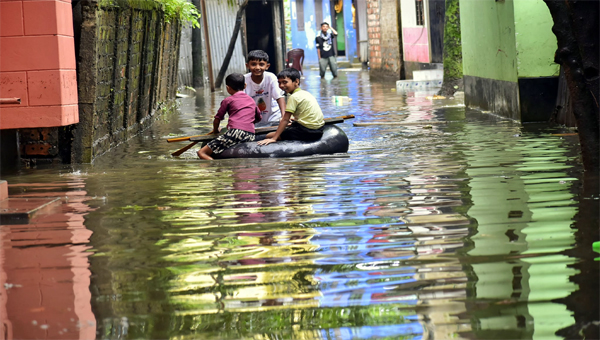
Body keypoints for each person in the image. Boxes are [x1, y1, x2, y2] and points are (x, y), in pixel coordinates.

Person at [197, 73, 261, 160]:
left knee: (201, 152)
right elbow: (258, 118)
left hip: (235, 132)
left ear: (228, 88)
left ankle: (216, 168)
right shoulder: (251, 100)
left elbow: (217, 119)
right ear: (245, 85)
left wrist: (216, 130)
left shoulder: (228, 100)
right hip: (250, 134)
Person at [258, 68, 325, 146]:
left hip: (308, 132)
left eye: (285, 82)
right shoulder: (305, 93)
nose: (281, 86)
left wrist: (274, 138)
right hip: (319, 129)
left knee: (269, 135)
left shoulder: (293, 97)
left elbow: (285, 120)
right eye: (279, 83)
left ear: (296, 81)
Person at [244, 50, 286, 127]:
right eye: (253, 64)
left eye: (261, 64)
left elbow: (279, 97)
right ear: (247, 66)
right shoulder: (244, 80)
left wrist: (284, 117)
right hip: (253, 117)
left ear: (267, 66)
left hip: (273, 116)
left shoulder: (271, 77)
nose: (257, 68)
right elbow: (239, 101)